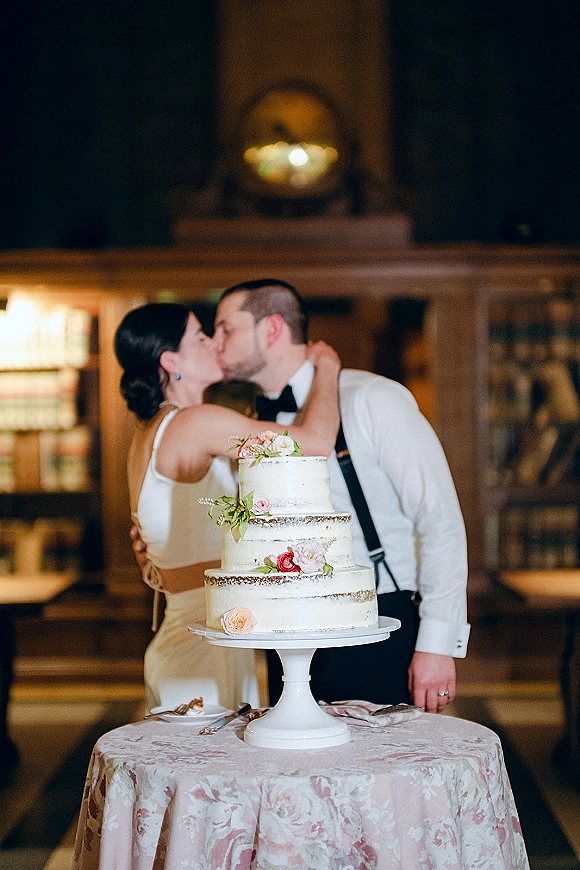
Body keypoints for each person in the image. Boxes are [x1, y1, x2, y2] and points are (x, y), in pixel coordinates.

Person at [210, 280, 470, 714]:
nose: (216, 343)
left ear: (271, 330)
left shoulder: (372, 399)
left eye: (225, 329)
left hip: (379, 621)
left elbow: (439, 519)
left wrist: (437, 645)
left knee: (383, 773)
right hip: (286, 630)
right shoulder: (254, 422)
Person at [115, 302, 340, 711]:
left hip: (199, 636)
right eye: (200, 336)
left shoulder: (152, 431)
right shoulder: (196, 423)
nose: (213, 343)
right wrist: (328, 366)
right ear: (171, 361)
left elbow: (166, 550)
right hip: (199, 651)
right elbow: (318, 443)